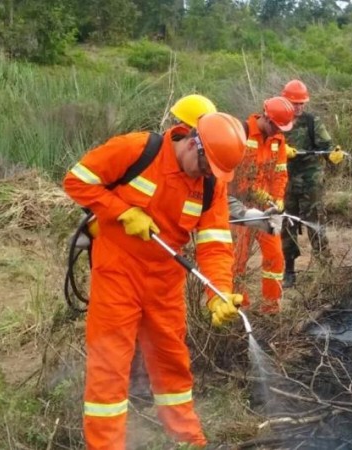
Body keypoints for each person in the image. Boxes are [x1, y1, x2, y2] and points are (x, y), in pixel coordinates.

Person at [63, 110, 247, 449]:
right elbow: (76, 180)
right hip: (118, 272)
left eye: (215, 173)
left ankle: (188, 439)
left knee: (172, 362)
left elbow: (216, 244)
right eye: (206, 167)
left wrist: (218, 293)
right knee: (110, 366)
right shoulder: (136, 149)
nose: (208, 176)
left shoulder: (210, 185)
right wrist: (121, 211)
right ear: (194, 143)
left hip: (165, 284)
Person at [230, 96, 294, 313]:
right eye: (276, 126)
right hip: (241, 210)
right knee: (237, 261)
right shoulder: (242, 133)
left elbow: (280, 174)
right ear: (266, 117)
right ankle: (240, 307)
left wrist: (278, 199)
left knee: (276, 256)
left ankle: (271, 306)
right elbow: (241, 182)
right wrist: (263, 198)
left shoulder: (278, 140)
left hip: (267, 209)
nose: (279, 131)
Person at [280, 80, 344, 288]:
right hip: (285, 181)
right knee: (286, 225)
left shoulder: (311, 122)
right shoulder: (278, 122)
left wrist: (333, 155)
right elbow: (266, 149)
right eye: (294, 103)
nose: (298, 107)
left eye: (301, 103)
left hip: (310, 181)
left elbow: (326, 147)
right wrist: (282, 152)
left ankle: (325, 270)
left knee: (316, 224)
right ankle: (289, 270)